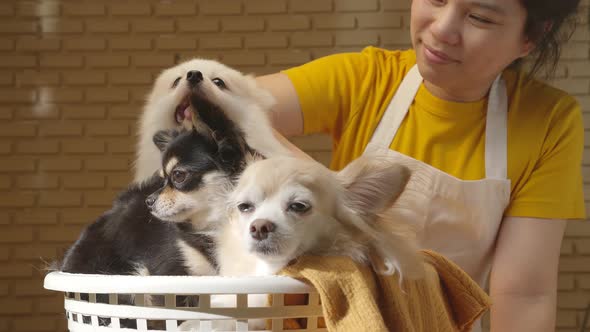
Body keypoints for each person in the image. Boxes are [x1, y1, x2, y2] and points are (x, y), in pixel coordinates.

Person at [255, 0, 585, 331]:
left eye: (480, 17)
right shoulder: (365, 79)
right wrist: (322, 187)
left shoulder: (547, 122)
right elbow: (212, 104)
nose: (442, 28)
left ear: (531, 38)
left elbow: (524, 296)